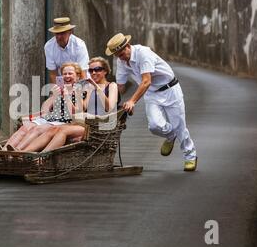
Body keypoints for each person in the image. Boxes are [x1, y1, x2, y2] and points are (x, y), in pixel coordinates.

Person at [105, 33, 197, 171]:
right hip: (152, 94)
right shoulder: (121, 61)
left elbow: (146, 81)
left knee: (180, 126)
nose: (121, 57)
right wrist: (105, 94)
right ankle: (170, 135)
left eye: (122, 52)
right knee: (154, 126)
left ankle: (190, 156)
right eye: (118, 55)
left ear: (128, 46)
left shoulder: (143, 53)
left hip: (170, 89)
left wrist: (132, 101)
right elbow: (120, 87)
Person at [24, 57, 118, 153]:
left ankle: (42, 156)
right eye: (91, 70)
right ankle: (25, 152)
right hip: (85, 122)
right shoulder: (89, 88)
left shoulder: (111, 86)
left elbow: (109, 107)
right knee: (52, 129)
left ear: (105, 71)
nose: (93, 72)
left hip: (101, 125)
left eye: (97, 69)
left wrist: (97, 87)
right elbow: (82, 108)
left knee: (62, 131)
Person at [0, 62, 83, 151]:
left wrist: (66, 96)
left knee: (37, 129)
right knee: (25, 128)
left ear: (77, 77)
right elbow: (44, 109)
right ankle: (4, 150)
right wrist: (54, 96)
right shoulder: (58, 89)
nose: (67, 76)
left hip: (64, 122)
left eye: (70, 73)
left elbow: (77, 112)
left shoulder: (78, 91)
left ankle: (18, 150)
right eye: (64, 74)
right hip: (49, 118)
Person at [45, 17, 89, 83]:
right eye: (57, 33)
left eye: (62, 33)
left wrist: (80, 91)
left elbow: (82, 73)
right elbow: (53, 74)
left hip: (80, 80)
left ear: (70, 32)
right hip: (62, 82)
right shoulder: (49, 46)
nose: (59, 37)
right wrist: (59, 91)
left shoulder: (80, 45)